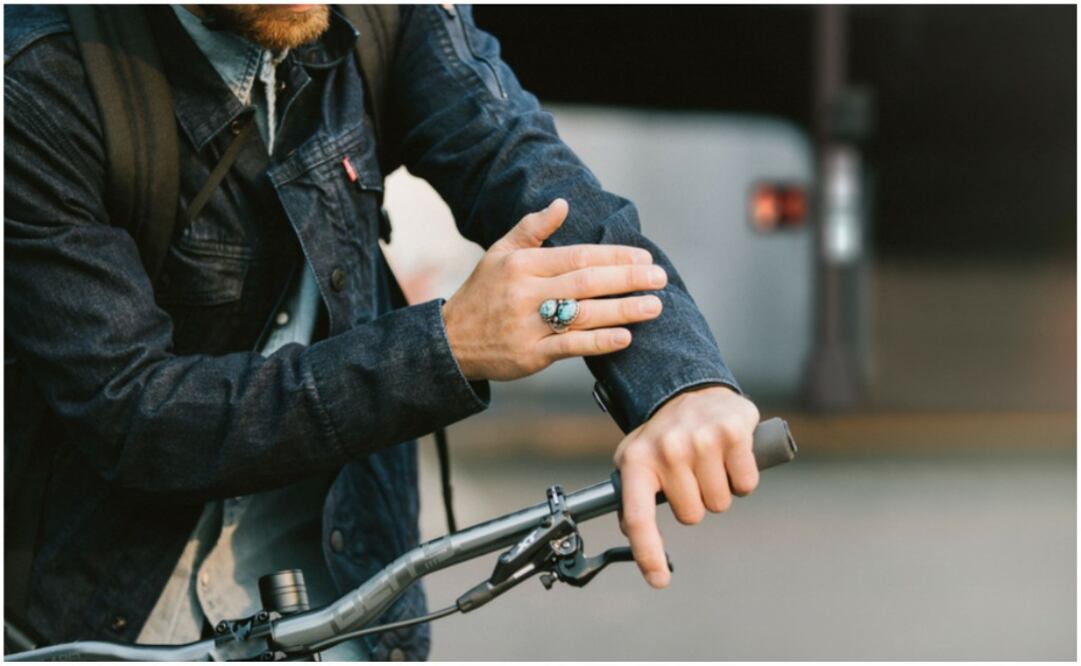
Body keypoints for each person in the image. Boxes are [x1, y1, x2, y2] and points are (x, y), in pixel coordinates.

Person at [4, 4, 760, 660]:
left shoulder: (387, 14)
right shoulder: (37, 77)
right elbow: (137, 413)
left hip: (347, 596)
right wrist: (447, 347)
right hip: (110, 612)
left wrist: (678, 385)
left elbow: (522, 163)